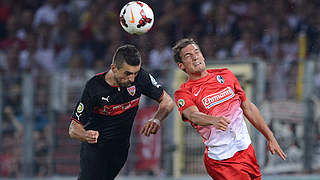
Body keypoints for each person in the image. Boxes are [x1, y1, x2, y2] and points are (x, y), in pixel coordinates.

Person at [172, 38, 287, 180]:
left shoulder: (226, 75)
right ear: (181, 66)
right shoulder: (183, 92)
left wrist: (270, 137)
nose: (195, 56)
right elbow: (193, 115)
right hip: (222, 160)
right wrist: (213, 120)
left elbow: (248, 107)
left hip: (246, 151)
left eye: (197, 52)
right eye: (188, 56)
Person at [68, 44, 174, 180]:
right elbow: (73, 129)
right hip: (96, 148)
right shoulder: (94, 87)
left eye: (135, 73)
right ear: (114, 68)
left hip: (120, 150)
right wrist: (85, 134)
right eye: (128, 73)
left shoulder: (141, 78)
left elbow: (168, 102)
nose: (132, 79)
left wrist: (157, 119)